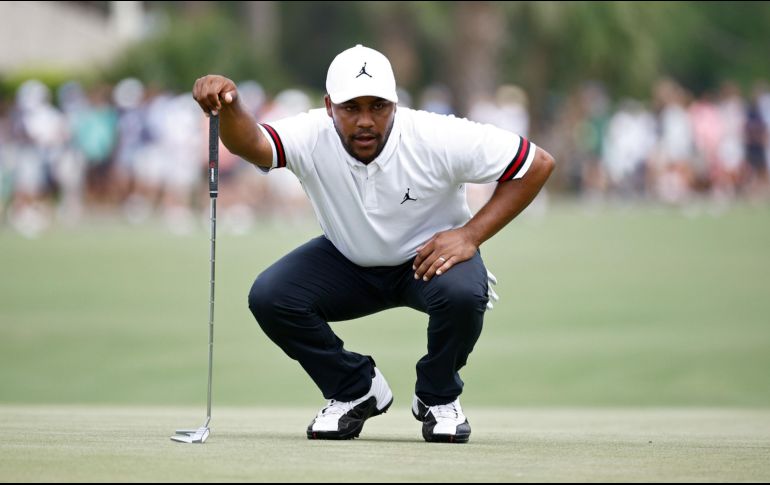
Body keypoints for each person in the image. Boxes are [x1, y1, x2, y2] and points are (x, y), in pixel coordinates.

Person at [192, 45, 555, 443]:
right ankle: (354, 389)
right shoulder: (312, 133)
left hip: (428, 260)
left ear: (395, 105)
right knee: (271, 296)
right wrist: (230, 106)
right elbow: (252, 144)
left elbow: (536, 164)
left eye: (378, 106)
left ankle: (438, 397)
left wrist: (469, 236)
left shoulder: (438, 135)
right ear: (330, 106)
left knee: (465, 293)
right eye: (351, 108)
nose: (366, 121)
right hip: (347, 260)